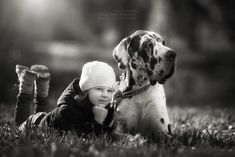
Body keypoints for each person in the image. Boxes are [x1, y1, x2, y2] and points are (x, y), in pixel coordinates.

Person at [14, 61, 116, 135]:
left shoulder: (107, 107)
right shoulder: (68, 110)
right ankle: (26, 84)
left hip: (47, 119)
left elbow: (107, 132)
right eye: (99, 89)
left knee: (44, 113)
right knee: (19, 126)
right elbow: (81, 137)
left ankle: (42, 82)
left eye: (109, 90)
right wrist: (98, 121)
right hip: (34, 124)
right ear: (85, 90)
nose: (105, 95)